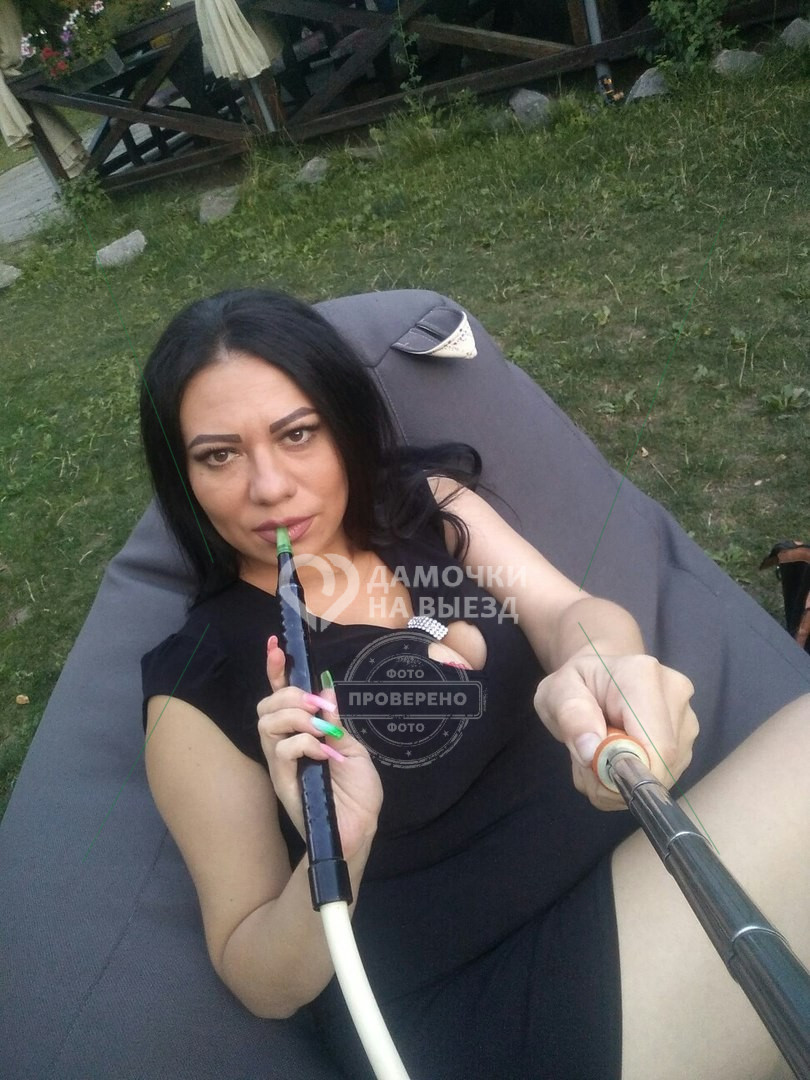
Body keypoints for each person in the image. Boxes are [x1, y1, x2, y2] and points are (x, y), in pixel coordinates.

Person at [140, 287, 808, 1080]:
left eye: (297, 434)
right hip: (492, 1006)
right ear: (183, 476)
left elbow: (565, 612)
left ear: (342, 422)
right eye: (219, 455)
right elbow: (256, 976)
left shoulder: (424, 508)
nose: (270, 487)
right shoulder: (200, 682)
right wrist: (335, 856)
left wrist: (607, 665)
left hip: (641, 849)